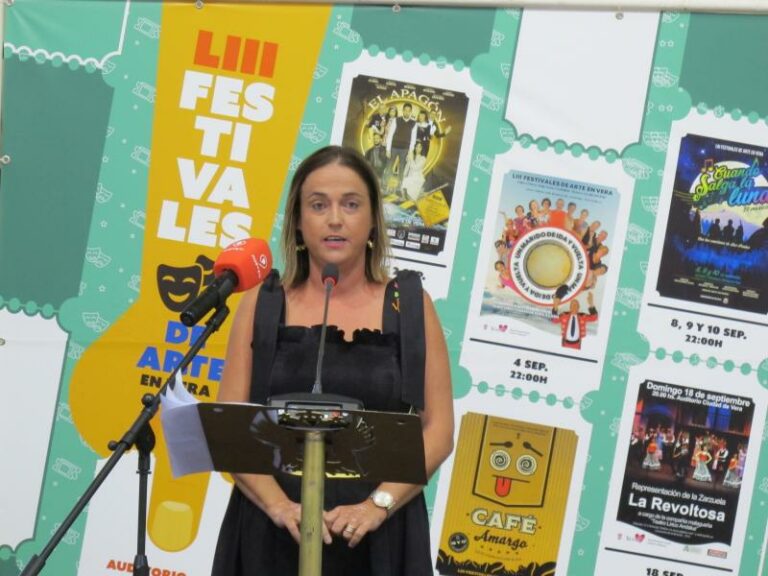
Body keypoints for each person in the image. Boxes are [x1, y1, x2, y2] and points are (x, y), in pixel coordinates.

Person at [211, 145, 454, 576]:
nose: (335, 219)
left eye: (351, 204)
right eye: (319, 205)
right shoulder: (262, 303)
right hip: (272, 532)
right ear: (298, 221)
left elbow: (438, 430)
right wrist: (280, 507)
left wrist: (376, 506)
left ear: (374, 219)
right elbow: (231, 427)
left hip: (379, 539)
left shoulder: (411, 306)